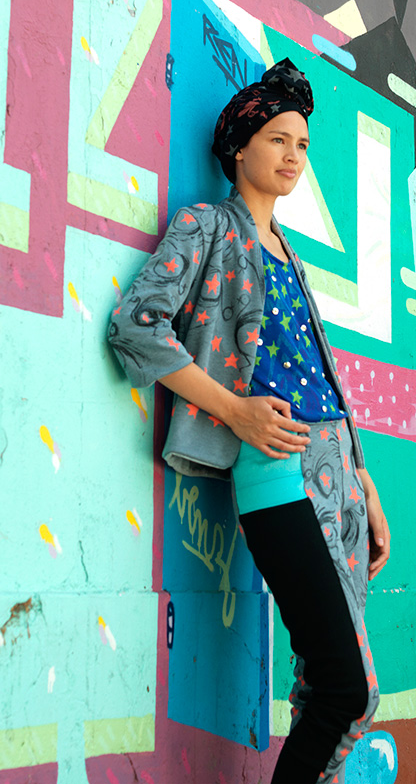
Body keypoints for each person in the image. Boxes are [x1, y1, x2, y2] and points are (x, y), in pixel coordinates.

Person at [108, 57, 390, 784]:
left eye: (303, 145)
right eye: (278, 140)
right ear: (239, 147)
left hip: (339, 475)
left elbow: (320, 371)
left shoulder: (290, 256)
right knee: (347, 689)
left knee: (341, 691)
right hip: (278, 472)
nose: (294, 156)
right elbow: (136, 324)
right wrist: (233, 410)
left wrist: (364, 478)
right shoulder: (207, 227)